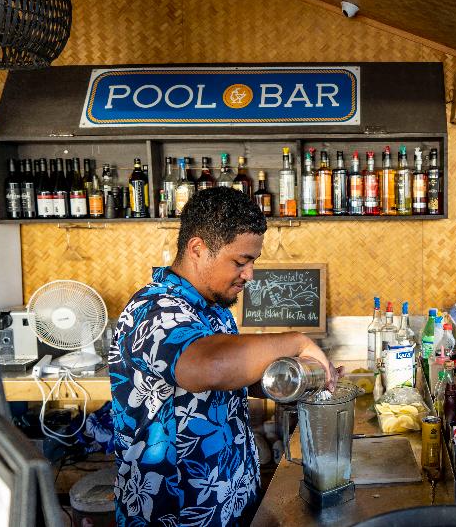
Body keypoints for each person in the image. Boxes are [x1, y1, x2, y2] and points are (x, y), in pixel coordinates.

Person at [109, 187, 335, 526]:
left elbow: (230, 380)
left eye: (252, 262)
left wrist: (300, 378)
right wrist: (297, 341)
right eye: (241, 262)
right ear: (198, 249)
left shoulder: (214, 310)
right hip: (175, 512)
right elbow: (210, 367)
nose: (249, 275)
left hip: (229, 501)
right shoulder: (154, 310)